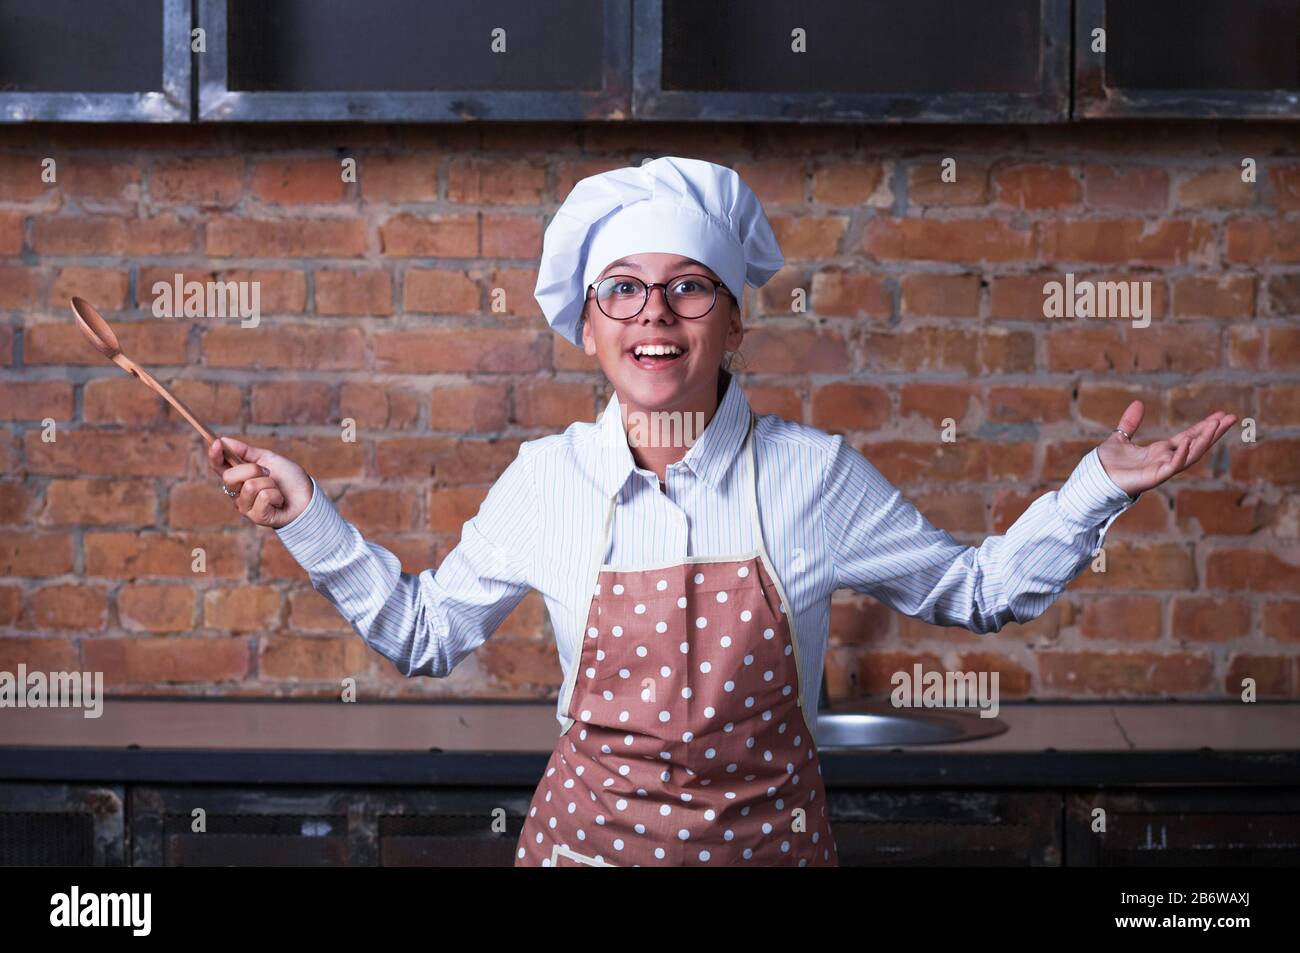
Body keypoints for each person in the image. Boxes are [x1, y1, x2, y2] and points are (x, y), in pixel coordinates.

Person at [209, 156, 1237, 867]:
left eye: (689, 287)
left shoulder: (812, 476)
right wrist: (307, 509)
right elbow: (423, 634)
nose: (654, 313)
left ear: (735, 319)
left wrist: (1096, 485)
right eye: (622, 289)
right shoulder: (544, 481)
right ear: (585, 325)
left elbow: (973, 592)